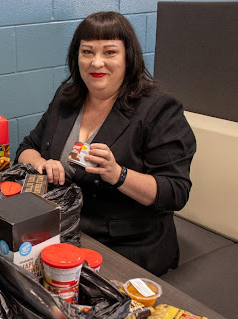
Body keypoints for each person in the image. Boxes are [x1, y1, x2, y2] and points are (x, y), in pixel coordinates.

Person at [16, 11, 196, 276]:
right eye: (87, 52)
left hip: (127, 245)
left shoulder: (158, 109)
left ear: (128, 58)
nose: (96, 62)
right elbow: (26, 148)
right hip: (65, 232)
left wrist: (118, 174)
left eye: (110, 52)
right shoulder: (67, 98)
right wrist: (42, 163)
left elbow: (176, 192)